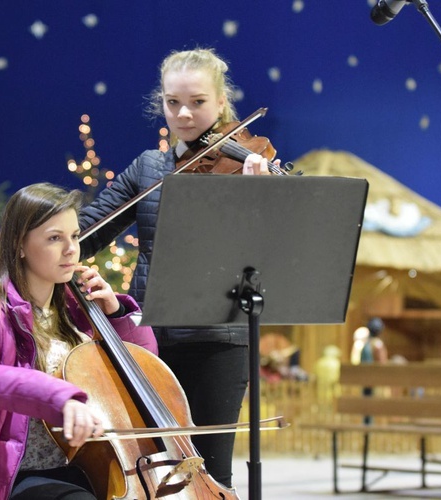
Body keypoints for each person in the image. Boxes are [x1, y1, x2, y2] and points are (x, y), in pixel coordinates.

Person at [78, 47, 278, 488]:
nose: (184, 114)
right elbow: (89, 231)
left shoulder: (249, 163)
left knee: (210, 471)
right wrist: (43, 235)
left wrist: (261, 201)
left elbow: (271, 252)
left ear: (221, 103)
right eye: (173, 102)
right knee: (149, 464)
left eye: (198, 102)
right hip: (148, 336)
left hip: (218, 338)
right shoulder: (148, 167)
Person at [0, 183, 158, 499]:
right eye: (54, 238)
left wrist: (115, 316)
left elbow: (146, 377)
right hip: (8, 478)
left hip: (84, 468)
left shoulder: (75, 308)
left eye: (74, 236)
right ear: (20, 244)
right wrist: (57, 396)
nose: (71, 249)